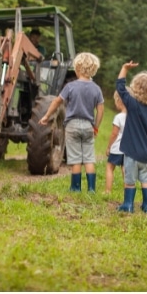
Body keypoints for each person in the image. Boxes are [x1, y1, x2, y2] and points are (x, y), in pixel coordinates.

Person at [39, 52, 104, 193]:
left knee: (75, 159)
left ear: (77, 69)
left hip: (72, 126)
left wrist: (47, 116)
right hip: (88, 126)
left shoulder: (70, 86)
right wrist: (96, 127)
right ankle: (91, 189)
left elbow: (57, 101)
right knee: (89, 158)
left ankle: (76, 188)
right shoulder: (96, 89)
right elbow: (100, 110)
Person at [114, 61, 147, 214]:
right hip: (146, 156)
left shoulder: (132, 105)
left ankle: (128, 205)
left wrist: (124, 69)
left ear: (135, 89)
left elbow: (120, 87)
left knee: (130, 181)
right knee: (145, 180)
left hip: (132, 154)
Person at [104, 91, 127, 193]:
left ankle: (108, 191)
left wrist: (109, 147)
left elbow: (114, 134)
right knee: (125, 169)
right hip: (128, 149)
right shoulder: (132, 117)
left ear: (119, 101)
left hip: (117, 148)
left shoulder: (118, 117)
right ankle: (128, 190)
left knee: (109, 167)